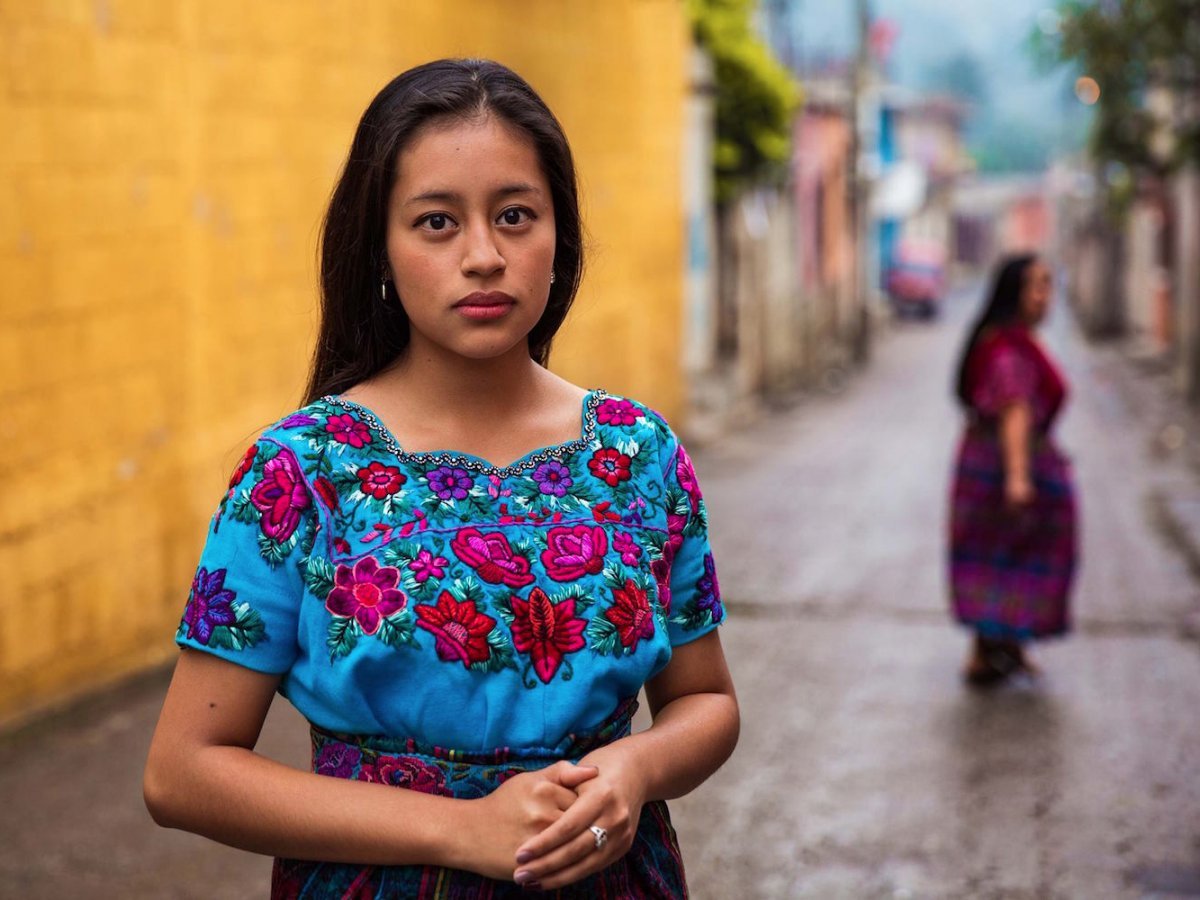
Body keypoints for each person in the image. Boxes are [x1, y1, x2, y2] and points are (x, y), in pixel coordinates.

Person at [144, 58, 739, 897]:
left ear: (559, 236)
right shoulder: (303, 471)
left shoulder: (638, 456)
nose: (485, 256)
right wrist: (463, 831)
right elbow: (182, 773)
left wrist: (634, 770)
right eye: (436, 222)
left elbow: (707, 702)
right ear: (380, 248)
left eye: (516, 216)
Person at [949, 254, 1077, 685]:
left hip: (984, 467)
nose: (1046, 296)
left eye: (1048, 284)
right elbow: (1015, 411)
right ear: (1013, 292)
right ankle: (990, 652)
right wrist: (1020, 477)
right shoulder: (1010, 350)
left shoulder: (1002, 338)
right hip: (1003, 468)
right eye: (1037, 286)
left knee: (999, 555)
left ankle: (1005, 646)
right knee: (1007, 554)